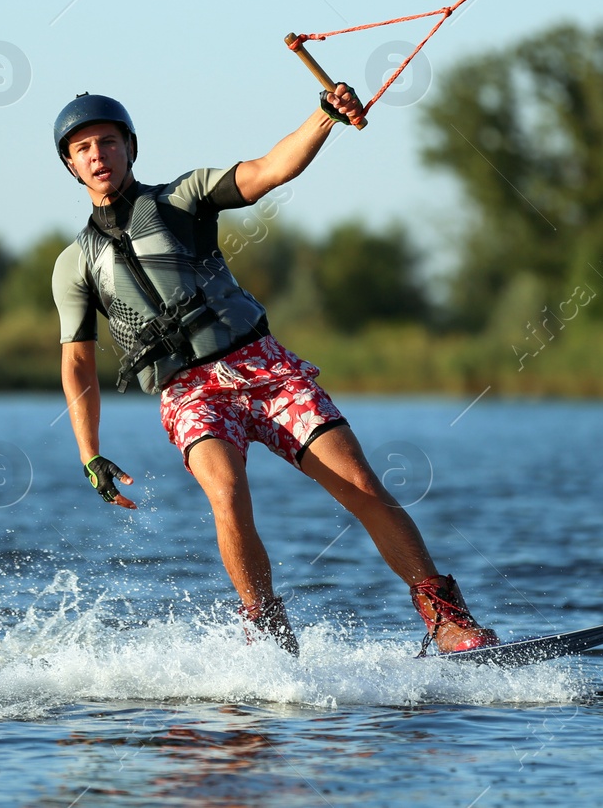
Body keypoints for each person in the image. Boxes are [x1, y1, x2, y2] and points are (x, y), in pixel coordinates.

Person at [49, 88, 498, 656]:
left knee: (362, 486)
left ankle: (448, 620)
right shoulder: (74, 264)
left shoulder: (183, 198)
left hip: (263, 368)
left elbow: (269, 169)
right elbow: (76, 361)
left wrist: (325, 117)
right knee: (228, 495)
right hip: (189, 393)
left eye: (107, 142)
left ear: (130, 147)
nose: (97, 155)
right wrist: (89, 452)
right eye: (83, 148)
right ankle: (269, 638)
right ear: (71, 164)